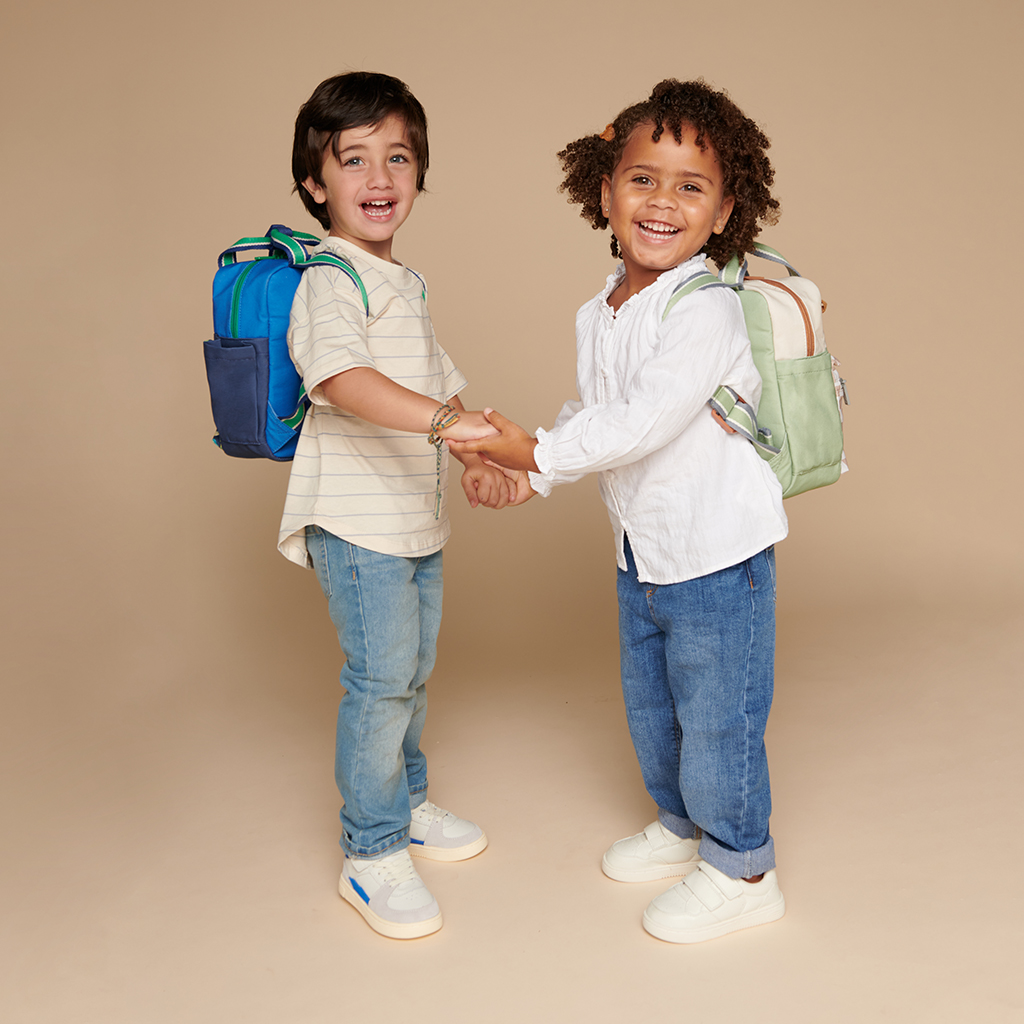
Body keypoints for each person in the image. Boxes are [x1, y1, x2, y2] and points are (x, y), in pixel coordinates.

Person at [449, 79, 790, 943]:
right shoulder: (600, 310)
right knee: (655, 706)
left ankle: (742, 865)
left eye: (691, 186)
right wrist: (526, 470)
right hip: (643, 549)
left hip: (716, 552)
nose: (663, 202)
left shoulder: (708, 308)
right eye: (643, 178)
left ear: (724, 211)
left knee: (718, 716)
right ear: (604, 189)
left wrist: (535, 453)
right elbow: (599, 411)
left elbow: (643, 422)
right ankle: (683, 827)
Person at [278, 72, 512, 940]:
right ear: (316, 183)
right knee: (379, 683)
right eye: (354, 159)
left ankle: (406, 802)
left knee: (409, 671)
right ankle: (370, 852)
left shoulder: (401, 280)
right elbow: (342, 380)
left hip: (413, 518)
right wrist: (452, 424)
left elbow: (442, 391)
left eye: (399, 157)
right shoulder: (329, 278)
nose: (380, 177)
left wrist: (485, 455)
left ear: (418, 174)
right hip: (357, 522)